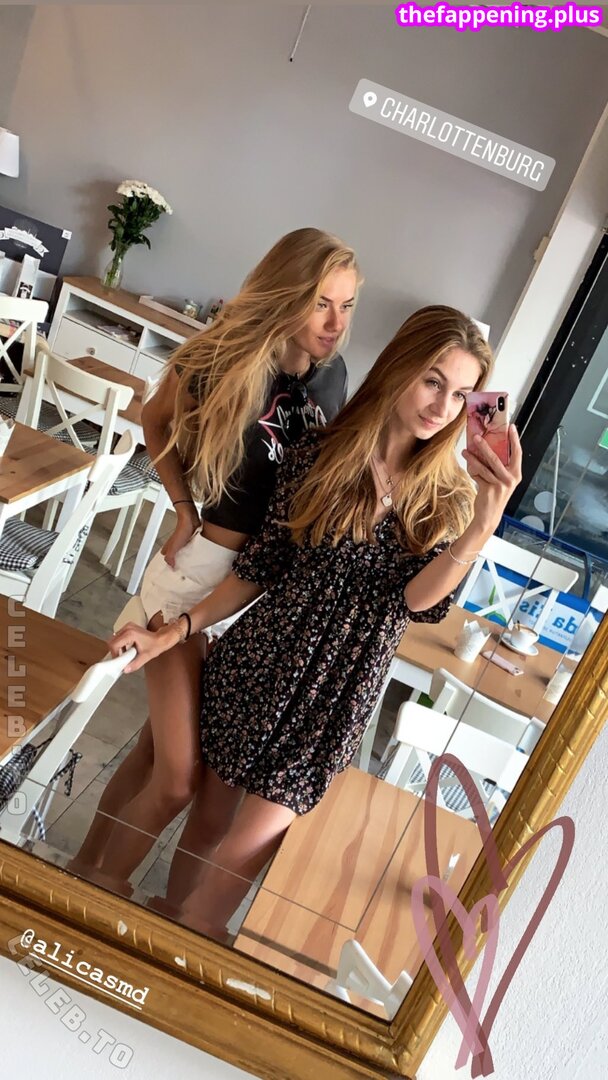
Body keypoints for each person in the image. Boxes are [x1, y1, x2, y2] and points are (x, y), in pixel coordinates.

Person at [108, 304, 522, 937]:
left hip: (336, 696)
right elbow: (260, 567)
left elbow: (417, 603)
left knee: (239, 858)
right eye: (433, 380)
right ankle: (159, 937)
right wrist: (178, 629)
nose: (443, 406)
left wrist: (486, 520)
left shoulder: (450, 497)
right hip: (260, 660)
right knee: (208, 826)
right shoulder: (318, 454)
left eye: (462, 394)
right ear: (399, 368)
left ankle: (188, 942)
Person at [72, 227, 362, 882]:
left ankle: (86, 867)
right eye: (321, 303)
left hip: (255, 599)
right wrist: (182, 507)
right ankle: (98, 891)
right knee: (176, 780)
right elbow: (154, 418)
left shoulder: (334, 378)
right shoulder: (223, 356)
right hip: (197, 576)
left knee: (154, 756)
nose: (336, 323)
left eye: (346, 306)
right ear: (286, 294)